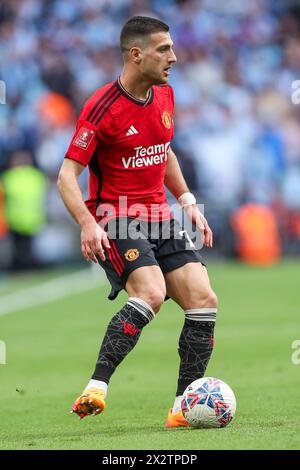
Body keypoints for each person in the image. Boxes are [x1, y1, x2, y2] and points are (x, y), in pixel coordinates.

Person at [57, 16, 218, 428]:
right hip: (116, 215)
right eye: (164, 50)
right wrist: (87, 223)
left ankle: (183, 407)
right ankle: (96, 387)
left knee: (203, 300)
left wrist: (187, 200)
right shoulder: (101, 106)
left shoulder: (165, 95)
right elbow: (66, 176)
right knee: (151, 292)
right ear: (136, 54)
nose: (174, 58)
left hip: (160, 215)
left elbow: (163, 151)